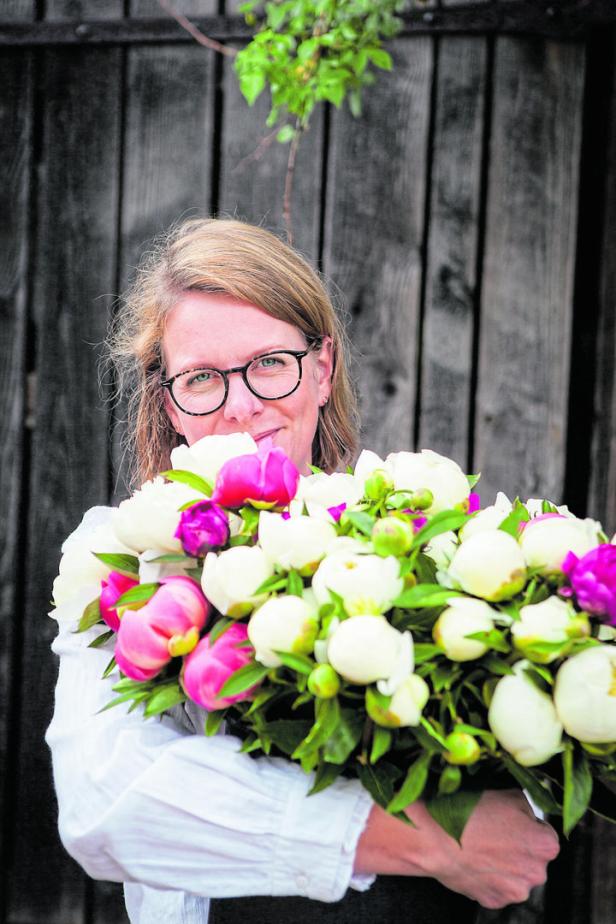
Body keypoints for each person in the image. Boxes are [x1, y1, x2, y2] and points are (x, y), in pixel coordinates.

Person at [46, 218, 560, 924]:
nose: (241, 405)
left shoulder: (422, 552)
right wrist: (423, 840)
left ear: (321, 370)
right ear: (172, 405)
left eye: (268, 363)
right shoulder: (125, 566)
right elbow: (106, 803)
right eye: (201, 379)